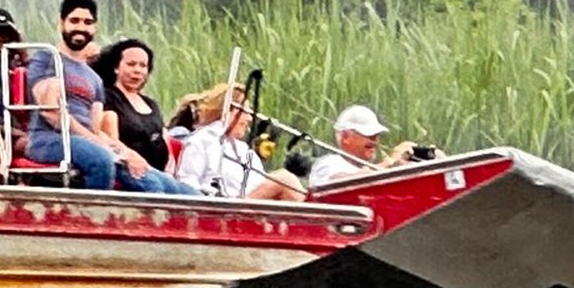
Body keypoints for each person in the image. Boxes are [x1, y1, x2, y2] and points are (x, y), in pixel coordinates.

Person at [20, 0, 185, 193]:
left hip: (89, 143)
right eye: (74, 20)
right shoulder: (47, 58)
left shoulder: (94, 79)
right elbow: (52, 114)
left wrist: (127, 153)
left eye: (88, 22)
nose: (81, 27)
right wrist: (99, 144)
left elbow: (96, 129)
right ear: (61, 23)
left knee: (162, 183)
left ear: (94, 28)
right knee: (102, 160)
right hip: (49, 140)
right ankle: (92, 220)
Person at [171, 82, 307, 201]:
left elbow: (259, 184)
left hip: (253, 206)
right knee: (284, 179)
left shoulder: (243, 150)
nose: (249, 119)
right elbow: (187, 186)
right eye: (245, 112)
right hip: (225, 210)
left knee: (287, 181)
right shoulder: (201, 142)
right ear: (228, 111)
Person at [93, 39, 180, 175]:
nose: (137, 70)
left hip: (161, 173)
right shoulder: (108, 97)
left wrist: (170, 167)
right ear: (116, 68)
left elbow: (164, 138)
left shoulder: (151, 104)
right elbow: (110, 142)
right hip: (128, 172)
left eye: (143, 65)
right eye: (131, 64)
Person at [307, 103, 427, 189]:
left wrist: (411, 161)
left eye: (376, 135)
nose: (374, 141)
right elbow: (339, 182)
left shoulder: (368, 169)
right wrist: (389, 164)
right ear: (345, 137)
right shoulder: (328, 163)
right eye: (368, 135)